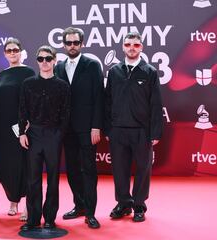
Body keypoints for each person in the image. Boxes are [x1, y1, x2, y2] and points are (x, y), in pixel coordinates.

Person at [104, 32, 163, 222]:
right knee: (120, 170)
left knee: (143, 169)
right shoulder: (114, 71)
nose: (131, 48)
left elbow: (156, 104)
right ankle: (123, 203)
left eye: (136, 45)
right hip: (118, 130)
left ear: (141, 48)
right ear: (123, 47)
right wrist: (107, 128)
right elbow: (107, 101)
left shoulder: (149, 72)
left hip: (142, 131)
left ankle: (139, 206)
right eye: (128, 44)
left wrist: (155, 132)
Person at [54, 27, 104, 228]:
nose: (72, 46)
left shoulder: (92, 65)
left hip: (87, 128)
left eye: (76, 42)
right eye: (68, 43)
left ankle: (90, 212)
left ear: (82, 44)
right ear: (64, 45)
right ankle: (79, 205)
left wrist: (96, 126)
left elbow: (99, 97)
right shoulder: (58, 67)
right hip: (66, 129)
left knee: (89, 169)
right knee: (73, 169)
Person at [19, 45, 70, 230]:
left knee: (53, 180)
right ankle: (33, 219)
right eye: (41, 59)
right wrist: (22, 133)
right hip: (33, 135)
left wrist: (59, 135)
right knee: (32, 180)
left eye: (48, 58)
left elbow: (66, 114)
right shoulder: (28, 84)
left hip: (53, 135)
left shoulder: (63, 86)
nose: (45, 62)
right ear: (37, 61)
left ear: (55, 60)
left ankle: (49, 218)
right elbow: (22, 110)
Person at [0, 38, 35, 221]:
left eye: (15, 49)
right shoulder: (2, 74)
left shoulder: (29, 72)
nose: (12, 53)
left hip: (23, 127)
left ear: (21, 51)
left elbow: (32, 99)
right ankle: (13, 201)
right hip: (4, 128)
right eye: (9, 50)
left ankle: (27, 205)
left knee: (25, 165)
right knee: (8, 166)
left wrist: (29, 122)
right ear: (5, 54)